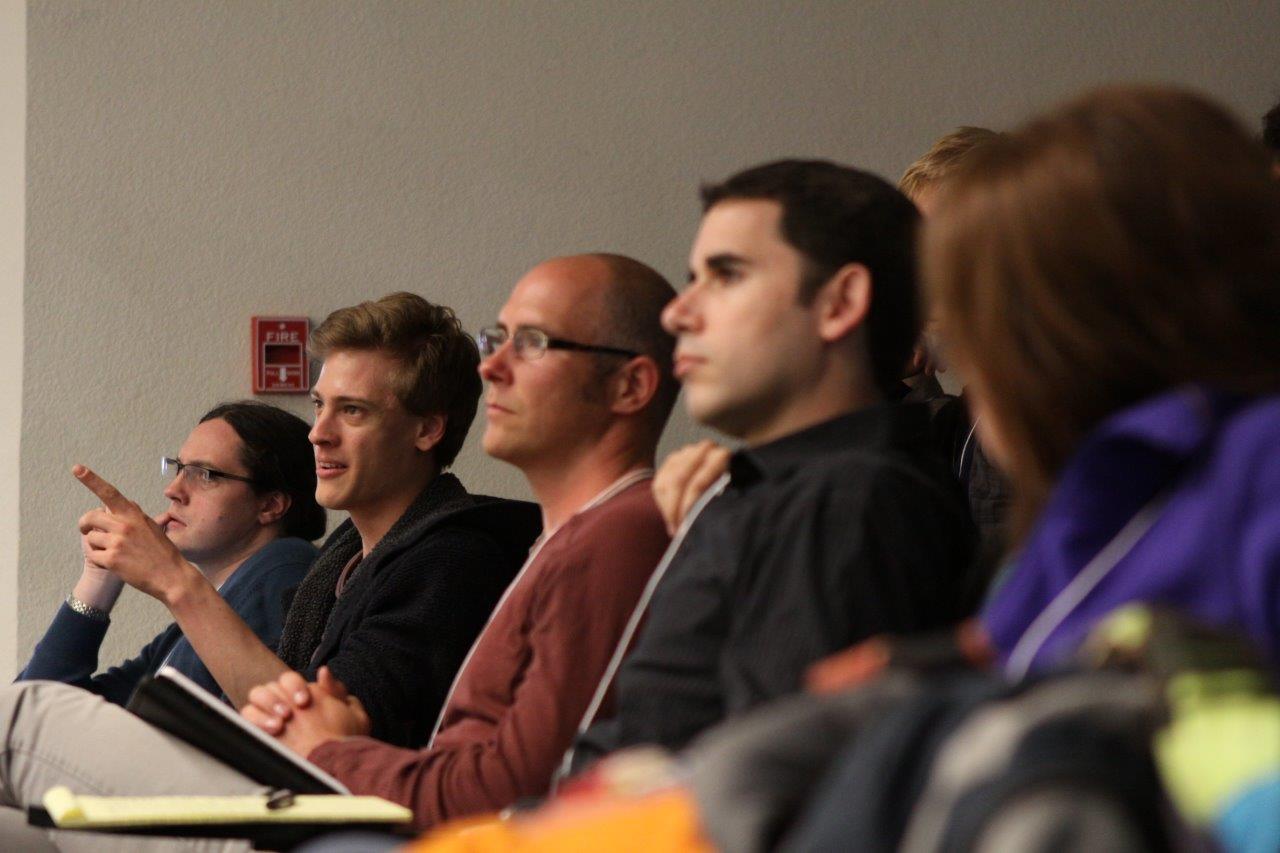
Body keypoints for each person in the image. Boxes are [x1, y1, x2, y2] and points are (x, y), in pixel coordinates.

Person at [0, 292, 539, 852]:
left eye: (353, 411)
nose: (318, 432)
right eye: (319, 405)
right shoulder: (342, 557)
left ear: (426, 430)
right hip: (281, 810)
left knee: (21, 717)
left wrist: (174, 581)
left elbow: (328, 749)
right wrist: (105, 583)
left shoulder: (454, 559)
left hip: (319, 830)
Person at [241, 254, 677, 832]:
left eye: (533, 343)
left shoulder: (618, 536)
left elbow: (509, 798)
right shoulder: (561, 542)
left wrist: (329, 751)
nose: (492, 366)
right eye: (498, 339)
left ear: (630, 385)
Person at [574, 160, 979, 764]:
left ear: (839, 302)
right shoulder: (779, 491)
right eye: (693, 279)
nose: (677, 314)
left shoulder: (847, 504)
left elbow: (757, 788)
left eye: (726, 275)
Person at [921, 85, 1280, 675]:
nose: (963, 354)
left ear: (1075, 328)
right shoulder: (1081, 502)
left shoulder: (1258, 466)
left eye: (977, 323)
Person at [17, 402, 322, 705]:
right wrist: (100, 578)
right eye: (179, 468)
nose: (173, 490)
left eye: (206, 475)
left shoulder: (283, 569)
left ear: (269, 505)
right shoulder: (209, 611)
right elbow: (36, 708)